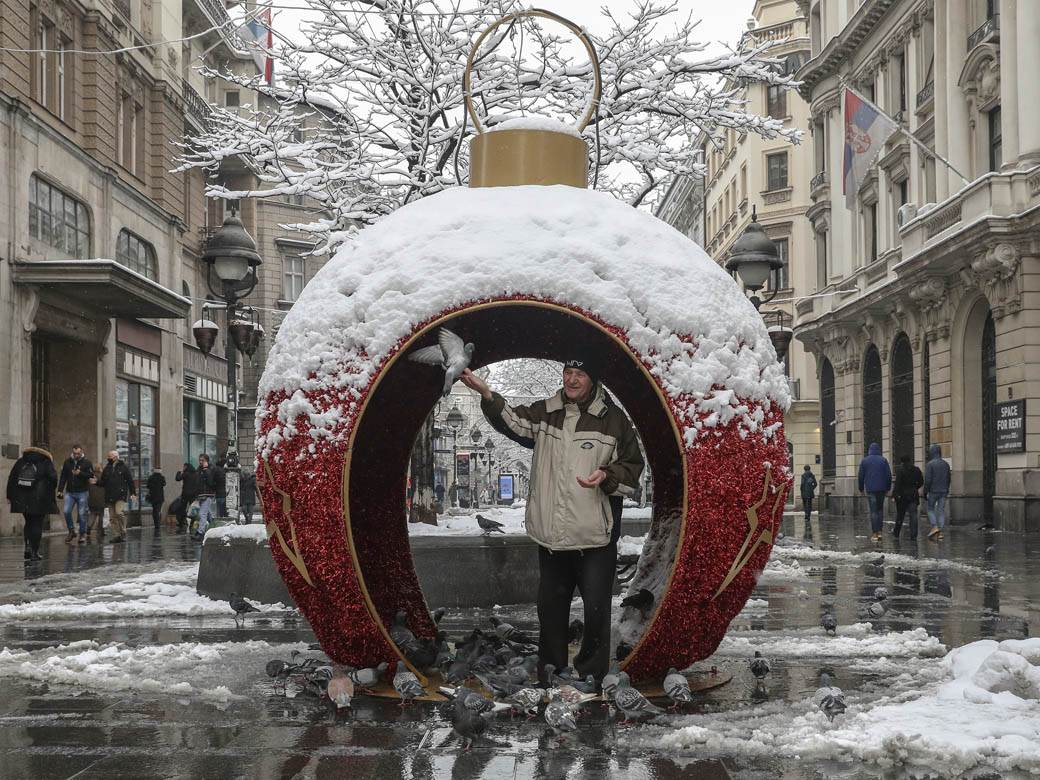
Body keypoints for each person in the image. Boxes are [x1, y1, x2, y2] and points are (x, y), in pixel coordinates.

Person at [460, 353, 644, 683]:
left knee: (596, 612)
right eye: (568, 372)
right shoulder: (547, 412)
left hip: (594, 538)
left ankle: (591, 676)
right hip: (552, 538)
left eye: (579, 374)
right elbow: (514, 421)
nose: (571, 380)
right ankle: (551, 673)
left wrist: (607, 475)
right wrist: (487, 395)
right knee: (551, 611)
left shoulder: (613, 421)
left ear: (593, 379)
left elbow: (633, 469)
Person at [6, 445, 58, 562]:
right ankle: (34, 552)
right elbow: (53, 478)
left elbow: (12, 478)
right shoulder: (46, 461)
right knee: (37, 524)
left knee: (28, 522)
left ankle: (27, 547)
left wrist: (9, 496)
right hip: (40, 498)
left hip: (22, 498)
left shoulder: (21, 461)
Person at [57, 445, 93, 545]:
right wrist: (60, 490)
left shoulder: (87, 462)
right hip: (70, 492)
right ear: (72, 452)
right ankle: (71, 531)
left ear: (81, 452)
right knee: (66, 511)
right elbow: (63, 476)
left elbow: (91, 475)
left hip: (82, 492)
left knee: (82, 514)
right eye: (74, 453)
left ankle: (82, 534)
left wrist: (80, 473)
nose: (76, 455)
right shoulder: (67, 462)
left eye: (78, 453)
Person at [857, 442, 892, 543]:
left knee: (873, 511)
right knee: (880, 510)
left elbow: (861, 476)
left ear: (869, 450)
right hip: (882, 489)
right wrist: (888, 488)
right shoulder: (883, 460)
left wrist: (861, 489)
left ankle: (874, 533)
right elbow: (889, 475)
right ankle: (880, 531)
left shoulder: (865, 461)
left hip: (871, 489)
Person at [99, 449, 135, 544]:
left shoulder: (123, 467)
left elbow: (130, 481)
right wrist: (96, 482)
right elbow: (103, 482)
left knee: (119, 513)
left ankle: (123, 529)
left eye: (109, 456)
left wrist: (133, 493)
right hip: (110, 495)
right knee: (112, 517)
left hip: (120, 495)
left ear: (115, 457)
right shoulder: (107, 468)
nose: (108, 458)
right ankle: (117, 535)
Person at [892, 454, 924, 540]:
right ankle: (913, 535)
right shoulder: (917, 470)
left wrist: (895, 495)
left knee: (900, 515)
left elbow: (897, 484)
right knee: (913, 515)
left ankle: (896, 533)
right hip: (913, 495)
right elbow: (921, 481)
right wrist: (915, 488)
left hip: (902, 496)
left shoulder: (900, 470)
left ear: (902, 462)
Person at [923, 443, 951, 540]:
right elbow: (948, 478)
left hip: (933, 491)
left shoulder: (930, 464)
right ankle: (940, 532)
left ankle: (934, 527)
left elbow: (927, 480)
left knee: (930, 509)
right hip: (943, 491)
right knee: (941, 511)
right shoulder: (946, 464)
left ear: (932, 452)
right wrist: (946, 489)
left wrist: (925, 491)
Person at [194, 454, 217, 541]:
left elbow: (211, 482)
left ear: (207, 461)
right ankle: (214, 527)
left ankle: (200, 532)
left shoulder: (210, 469)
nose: (200, 462)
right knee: (207, 514)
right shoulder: (198, 469)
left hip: (208, 494)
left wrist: (206, 470)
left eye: (202, 460)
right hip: (201, 495)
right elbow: (197, 482)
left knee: (202, 514)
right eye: (199, 460)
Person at [174, 462, 200, 533]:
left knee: (182, 509)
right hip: (193, 495)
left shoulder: (186, 474)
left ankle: (182, 524)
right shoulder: (196, 474)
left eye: (184, 467)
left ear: (186, 467)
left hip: (185, 495)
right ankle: (192, 524)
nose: (183, 468)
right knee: (193, 510)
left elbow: (177, 478)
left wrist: (179, 472)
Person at [87, 464, 106, 541]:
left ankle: (88, 528)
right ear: (101, 469)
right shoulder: (103, 476)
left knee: (92, 514)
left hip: (92, 500)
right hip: (101, 500)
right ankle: (101, 530)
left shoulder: (90, 477)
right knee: (101, 515)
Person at [145, 467, 166, 531]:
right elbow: (164, 484)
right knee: (158, 510)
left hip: (153, 497)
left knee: (155, 510)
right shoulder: (162, 477)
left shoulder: (151, 477)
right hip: (160, 497)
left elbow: (147, 486)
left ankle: (156, 524)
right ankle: (158, 524)